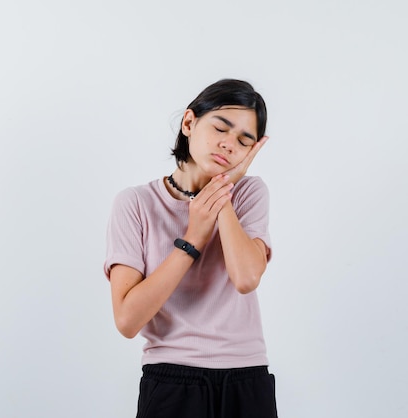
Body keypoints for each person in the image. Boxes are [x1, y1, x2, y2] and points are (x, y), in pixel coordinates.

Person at [104, 79, 278, 418]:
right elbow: (127, 321)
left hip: (247, 378)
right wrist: (193, 239)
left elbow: (245, 278)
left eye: (244, 140)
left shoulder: (249, 194)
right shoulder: (136, 204)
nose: (228, 145)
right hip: (171, 380)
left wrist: (221, 191)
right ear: (189, 123)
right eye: (221, 128)